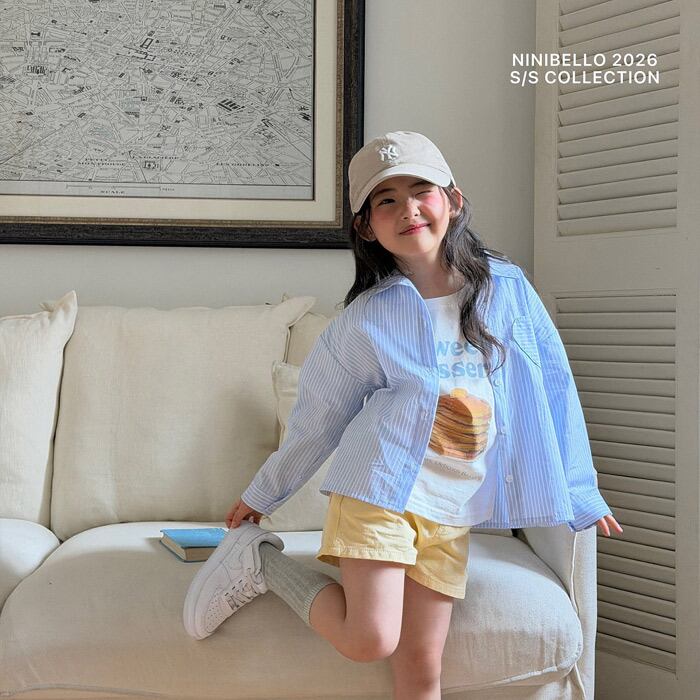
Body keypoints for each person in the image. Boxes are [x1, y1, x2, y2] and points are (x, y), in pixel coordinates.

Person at [183, 131, 623, 700]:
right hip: (379, 493)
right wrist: (265, 493)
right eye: (386, 200)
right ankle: (261, 564)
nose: (408, 209)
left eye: (421, 191)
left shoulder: (506, 289)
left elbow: (553, 389)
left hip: (451, 507)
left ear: (453, 200)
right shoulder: (366, 319)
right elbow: (320, 418)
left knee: (422, 667)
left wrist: (580, 489)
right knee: (370, 639)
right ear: (367, 226)